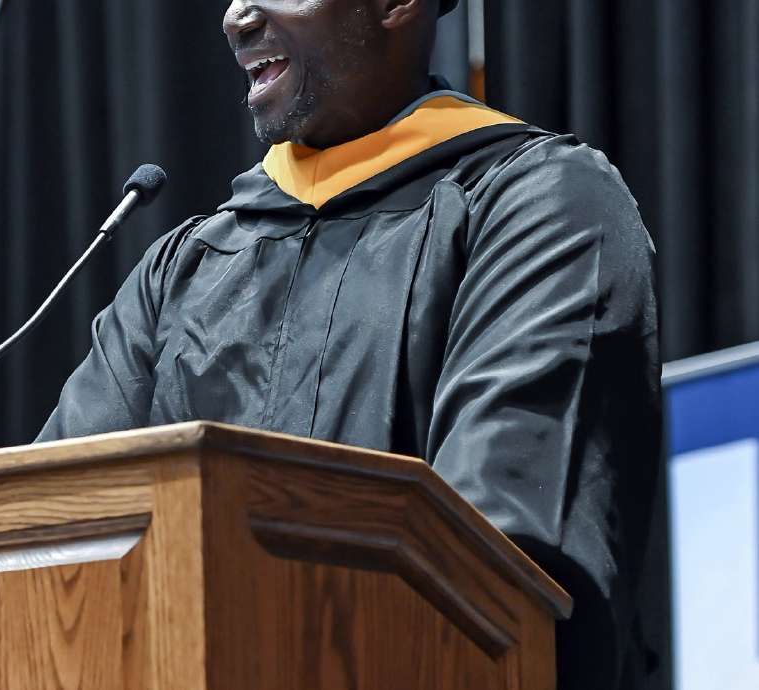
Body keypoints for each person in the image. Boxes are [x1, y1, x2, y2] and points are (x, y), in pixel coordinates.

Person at [37, 1, 661, 688]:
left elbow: (496, 562)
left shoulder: (537, 206)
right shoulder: (184, 270)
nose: (237, 16)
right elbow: (51, 543)